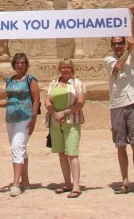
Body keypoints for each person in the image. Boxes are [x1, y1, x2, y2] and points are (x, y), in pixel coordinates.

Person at [105, 3, 134, 196]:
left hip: (132, 102)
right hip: (117, 105)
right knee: (121, 145)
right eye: (114, 44)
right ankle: (124, 181)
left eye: (120, 43)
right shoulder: (109, 60)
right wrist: (128, 50)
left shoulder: (132, 54)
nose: (117, 46)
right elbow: (118, 68)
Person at [0, 52, 40, 196]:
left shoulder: (31, 80)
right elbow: (9, 100)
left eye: (23, 62)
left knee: (16, 147)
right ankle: (25, 181)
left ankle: (15, 183)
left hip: (25, 117)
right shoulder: (10, 80)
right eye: (18, 62)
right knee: (20, 149)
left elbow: (36, 100)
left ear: (26, 64)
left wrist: (33, 120)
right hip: (11, 118)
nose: (20, 65)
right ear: (14, 64)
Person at [45, 58, 86, 198]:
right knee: (61, 153)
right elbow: (47, 101)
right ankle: (67, 183)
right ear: (59, 69)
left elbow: (80, 103)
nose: (65, 69)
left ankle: (76, 185)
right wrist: (54, 113)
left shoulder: (78, 83)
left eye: (68, 67)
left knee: (72, 153)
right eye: (63, 67)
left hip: (72, 120)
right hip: (55, 121)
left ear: (72, 68)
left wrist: (65, 112)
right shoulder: (53, 83)